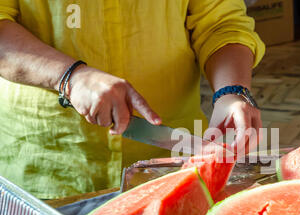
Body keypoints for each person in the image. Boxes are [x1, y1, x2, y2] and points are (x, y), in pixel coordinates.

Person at [0, 0, 265, 199]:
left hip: (173, 168)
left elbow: (220, 23)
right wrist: (71, 78)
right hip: (47, 169)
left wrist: (230, 92)